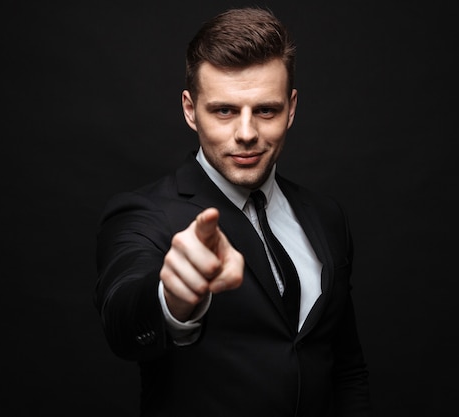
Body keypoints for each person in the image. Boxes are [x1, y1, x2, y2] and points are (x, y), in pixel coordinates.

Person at [95, 7, 371, 416]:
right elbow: (123, 319)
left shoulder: (326, 216)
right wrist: (171, 299)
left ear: (291, 108)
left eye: (266, 110)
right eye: (224, 110)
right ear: (190, 109)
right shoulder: (143, 214)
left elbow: (345, 367)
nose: (246, 133)